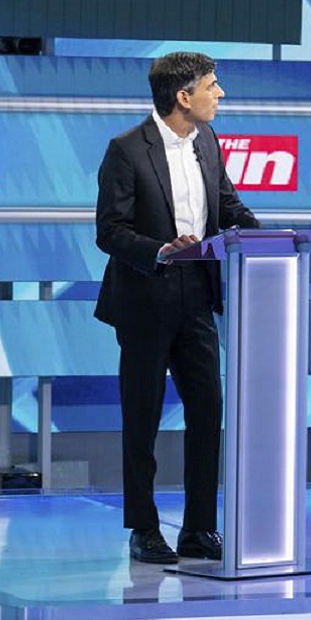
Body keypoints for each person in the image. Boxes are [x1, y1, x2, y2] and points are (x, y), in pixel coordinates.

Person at [95, 52, 260, 564]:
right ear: (183, 97)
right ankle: (144, 529)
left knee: (208, 412)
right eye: (212, 85)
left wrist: (268, 236)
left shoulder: (207, 142)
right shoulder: (126, 150)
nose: (221, 94)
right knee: (142, 420)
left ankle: (199, 529)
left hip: (196, 297)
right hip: (146, 296)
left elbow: (226, 204)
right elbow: (110, 231)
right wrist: (160, 249)